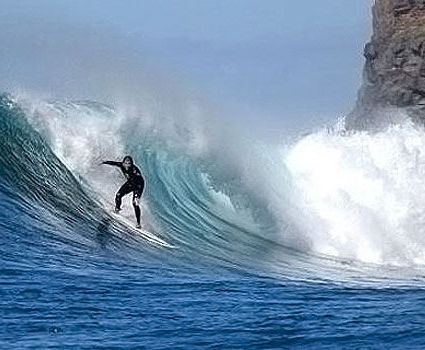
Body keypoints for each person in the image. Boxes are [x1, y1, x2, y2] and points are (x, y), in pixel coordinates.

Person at [101, 156, 145, 229]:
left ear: (131, 164)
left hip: (139, 185)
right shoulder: (121, 165)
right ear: (123, 163)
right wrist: (104, 162)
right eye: (126, 163)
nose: (127, 165)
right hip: (130, 183)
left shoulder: (134, 169)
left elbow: (139, 177)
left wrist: (137, 195)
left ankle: (138, 223)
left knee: (135, 203)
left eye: (129, 163)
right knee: (118, 195)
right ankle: (117, 209)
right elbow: (113, 163)